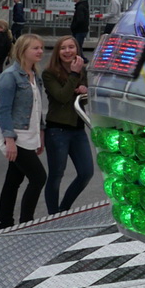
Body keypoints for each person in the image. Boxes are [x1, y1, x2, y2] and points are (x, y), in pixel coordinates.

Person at [0, 33, 49, 228]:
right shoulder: (9, 76)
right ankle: (26, 222)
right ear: (22, 50)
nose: (40, 51)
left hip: (30, 133)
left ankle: (5, 223)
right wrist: (9, 140)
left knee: (14, 178)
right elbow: (3, 110)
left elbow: (36, 106)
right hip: (15, 134)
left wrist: (40, 133)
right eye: (35, 48)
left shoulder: (34, 75)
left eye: (41, 47)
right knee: (38, 177)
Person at [42, 36, 93, 214]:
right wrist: (73, 75)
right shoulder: (49, 73)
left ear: (77, 50)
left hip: (78, 128)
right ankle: (53, 214)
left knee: (86, 172)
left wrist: (85, 91)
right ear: (57, 51)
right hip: (58, 129)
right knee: (56, 175)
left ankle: (64, 208)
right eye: (63, 48)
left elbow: (83, 100)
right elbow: (62, 96)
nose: (67, 51)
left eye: (71, 47)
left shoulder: (82, 70)